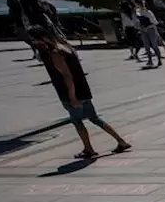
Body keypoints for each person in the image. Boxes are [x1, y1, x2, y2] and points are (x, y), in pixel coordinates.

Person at [28, 26, 131, 160]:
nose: (33, 43)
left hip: (71, 93)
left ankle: (89, 149)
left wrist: (72, 96)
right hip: (83, 90)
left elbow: (67, 76)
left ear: (41, 38)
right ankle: (121, 141)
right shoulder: (64, 46)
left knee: (77, 121)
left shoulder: (55, 53)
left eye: (34, 40)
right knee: (94, 118)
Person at [135, 0, 163, 67]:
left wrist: (148, 27)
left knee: (154, 45)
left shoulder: (148, 12)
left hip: (150, 29)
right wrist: (139, 26)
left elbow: (154, 22)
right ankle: (150, 60)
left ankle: (159, 60)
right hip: (143, 29)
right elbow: (137, 21)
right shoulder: (137, 11)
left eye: (137, 4)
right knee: (146, 46)